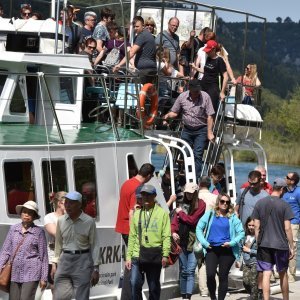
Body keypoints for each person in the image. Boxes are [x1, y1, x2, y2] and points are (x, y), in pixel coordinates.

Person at [115, 163, 155, 300]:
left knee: (132, 262)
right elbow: (135, 210)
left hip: (123, 225)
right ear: (148, 176)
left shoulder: (127, 183)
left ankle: (128, 295)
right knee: (134, 263)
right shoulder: (138, 188)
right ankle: (129, 296)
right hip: (131, 228)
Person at [51, 191, 100, 300]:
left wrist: (96, 269)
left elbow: (95, 245)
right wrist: (54, 263)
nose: (67, 206)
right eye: (66, 203)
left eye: (71, 203)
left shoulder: (89, 221)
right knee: (59, 297)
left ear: (79, 204)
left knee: (81, 297)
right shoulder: (61, 220)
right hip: (64, 261)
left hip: (82, 261)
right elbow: (58, 243)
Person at [125, 185, 171, 300]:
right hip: (137, 253)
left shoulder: (162, 214)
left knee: (153, 286)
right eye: (143, 194)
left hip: (154, 254)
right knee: (134, 283)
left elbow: (166, 236)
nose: (145, 197)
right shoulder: (137, 214)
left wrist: (165, 255)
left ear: (154, 196)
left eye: (148, 195)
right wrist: (128, 256)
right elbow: (132, 236)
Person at [163, 79, 215, 179]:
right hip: (187, 129)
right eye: (195, 90)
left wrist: (209, 132)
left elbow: (210, 116)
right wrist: (167, 115)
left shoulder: (205, 97)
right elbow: (175, 112)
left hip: (201, 129)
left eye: (198, 90)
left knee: (198, 154)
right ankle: (184, 175)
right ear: (190, 89)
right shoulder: (182, 97)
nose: (197, 92)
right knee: (185, 152)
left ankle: (196, 178)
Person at [196, 193, 245, 300]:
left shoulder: (232, 217)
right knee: (210, 274)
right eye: (222, 201)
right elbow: (199, 228)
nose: (225, 204)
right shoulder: (210, 214)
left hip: (227, 249)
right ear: (218, 202)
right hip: (211, 248)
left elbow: (241, 233)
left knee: (223, 276)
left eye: (227, 202)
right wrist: (204, 243)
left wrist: (231, 243)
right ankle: (213, 297)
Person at [252, 178, 295, 300]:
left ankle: (266, 299)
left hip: (264, 244)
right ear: (282, 189)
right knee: (283, 274)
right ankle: (285, 298)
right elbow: (287, 228)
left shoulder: (260, 203)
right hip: (280, 245)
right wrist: (291, 246)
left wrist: (258, 240)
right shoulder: (285, 205)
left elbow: (256, 225)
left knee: (266, 273)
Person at [0, 201, 48, 299]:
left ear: (34, 216)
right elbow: (5, 251)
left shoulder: (39, 232)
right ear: (20, 213)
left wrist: (44, 277)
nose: (26, 214)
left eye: (30, 213)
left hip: (32, 274)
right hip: (14, 273)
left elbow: (44, 257)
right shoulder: (13, 229)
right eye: (24, 212)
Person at [171, 183, 206, 300]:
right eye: (187, 193)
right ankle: (184, 296)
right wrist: (173, 232)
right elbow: (175, 222)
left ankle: (188, 297)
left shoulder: (201, 204)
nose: (189, 195)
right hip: (181, 241)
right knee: (183, 270)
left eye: (191, 193)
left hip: (195, 242)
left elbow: (192, 220)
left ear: (196, 193)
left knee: (190, 270)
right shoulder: (182, 204)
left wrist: (180, 213)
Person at [113, 16, 157, 84]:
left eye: (137, 26)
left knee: (138, 92)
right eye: (134, 27)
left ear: (143, 26)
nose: (135, 28)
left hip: (145, 71)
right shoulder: (147, 35)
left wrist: (119, 65)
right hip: (149, 69)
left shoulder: (142, 35)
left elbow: (131, 52)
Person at [197, 175, 217, 297]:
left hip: (197, 231)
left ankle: (203, 289)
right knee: (214, 260)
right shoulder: (214, 197)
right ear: (210, 185)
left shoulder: (195, 196)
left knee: (201, 262)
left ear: (199, 184)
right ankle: (214, 287)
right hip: (212, 231)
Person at [44, 191, 66, 293]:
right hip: (53, 259)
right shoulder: (49, 217)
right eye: (68, 202)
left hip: (69, 258)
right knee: (55, 288)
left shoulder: (71, 218)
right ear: (59, 203)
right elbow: (57, 234)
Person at [199, 40, 229, 113]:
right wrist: (195, 68)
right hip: (203, 85)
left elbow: (226, 76)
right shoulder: (208, 58)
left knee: (210, 111)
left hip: (213, 88)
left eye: (208, 50)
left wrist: (222, 92)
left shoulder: (219, 60)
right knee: (200, 108)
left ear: (213, 49)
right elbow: (206, 71)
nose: (206, 52)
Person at [282, 172, 300, 283]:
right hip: (281, 222)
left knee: (292, 246)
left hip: (293, 223)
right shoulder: (283, 190)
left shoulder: (298, 192)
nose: (285, 178)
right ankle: (280, 271)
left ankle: (292, 275)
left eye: (287, 177)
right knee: (280, 246)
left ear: (292, 181)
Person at [239, 217, 259, 300]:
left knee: (253, 282)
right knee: (245, 282)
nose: (251, 227)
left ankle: (254, 297)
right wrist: (238, 260)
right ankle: (254, 295)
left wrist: (249, 250)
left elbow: (261, 252)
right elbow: (240, 248)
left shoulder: (258, 237)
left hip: (255, 262)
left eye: (253, 225)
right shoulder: (244, 236)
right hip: (245, 262)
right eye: (249, 225)